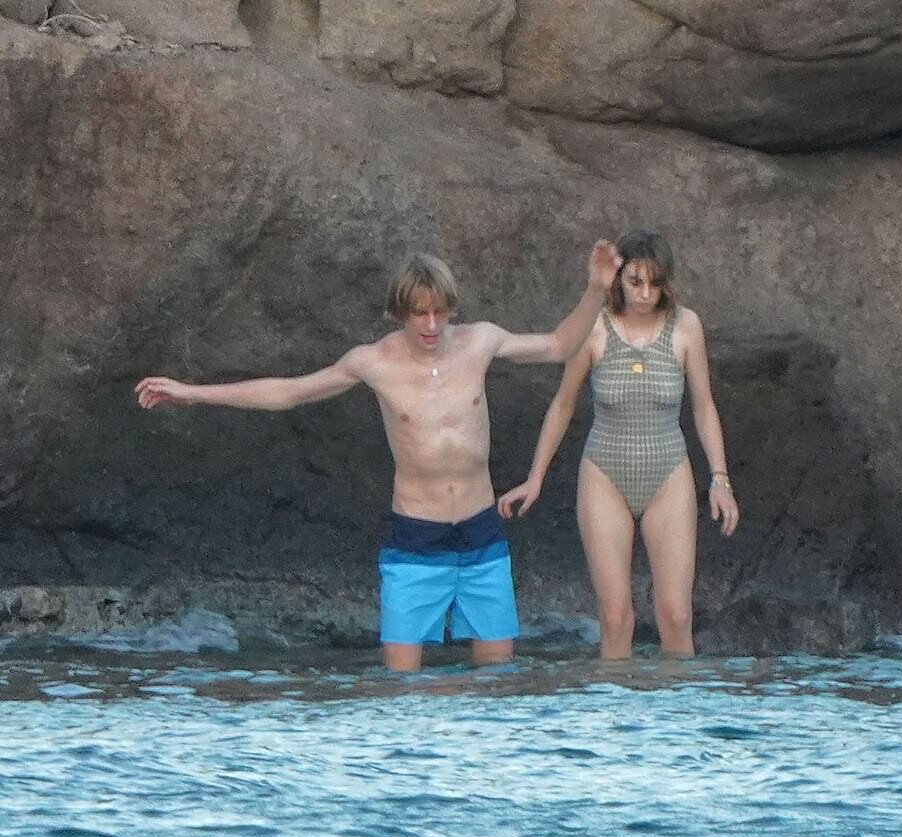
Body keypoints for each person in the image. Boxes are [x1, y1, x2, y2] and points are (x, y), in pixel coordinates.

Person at [136, 244, 621, 672]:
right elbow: (289, 392)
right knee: (402, 686)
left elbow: (560, 344)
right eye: (419, 314)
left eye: (439, 312)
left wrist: (596, 288)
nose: (431, 325)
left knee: (495, 678)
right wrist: (193, 394)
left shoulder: (480, 341)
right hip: (416, 536)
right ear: (398, 313)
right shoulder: (373, 362)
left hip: (481, 532)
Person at [498, 229, 739, 659]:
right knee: (614, 619)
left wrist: (720, 479)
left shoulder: (686, 326)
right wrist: (535, 478)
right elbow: (563, 404)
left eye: (655, 283)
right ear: (618, 279)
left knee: (676, 616)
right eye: (635, 282)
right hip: (604, 473)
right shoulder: (594, 326)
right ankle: (613, 701)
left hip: (668, 472)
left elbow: (704, 406)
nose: (645, 294)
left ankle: (680, 701)